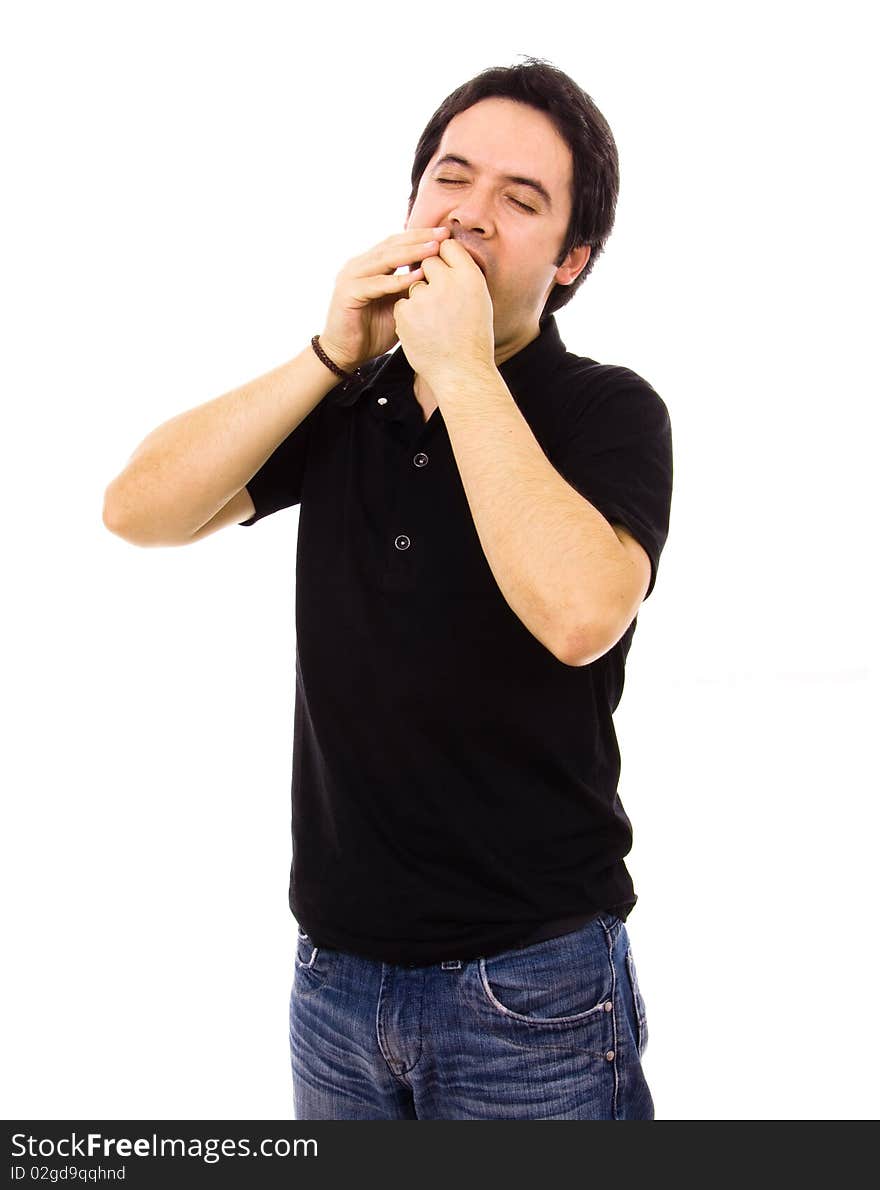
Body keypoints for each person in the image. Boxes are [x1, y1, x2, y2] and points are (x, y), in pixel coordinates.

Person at [103, 56, 672, 1120]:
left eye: (521, 199)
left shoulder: (608, 409)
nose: (468, 217)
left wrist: (459, 369)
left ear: (570, 258)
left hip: (531, 990)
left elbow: (582, 613)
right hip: (332, 980)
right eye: (449, 179)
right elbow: (138, 509)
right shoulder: (343, 396)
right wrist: (330, 353)